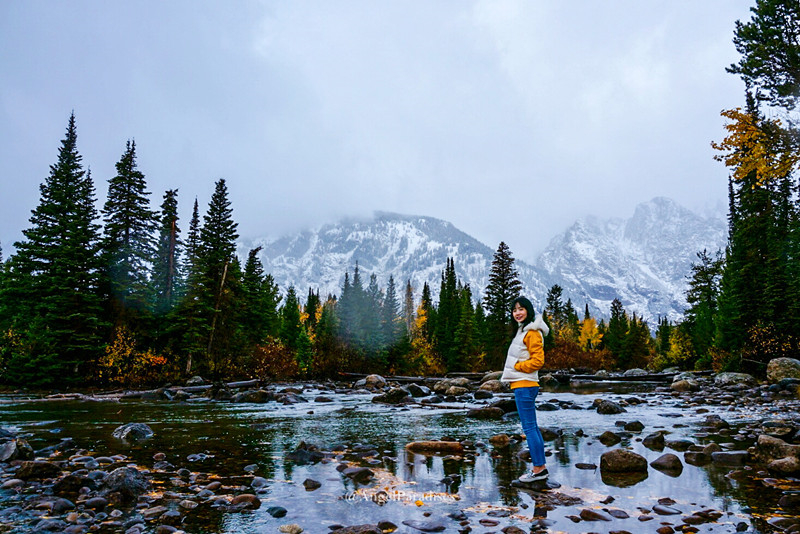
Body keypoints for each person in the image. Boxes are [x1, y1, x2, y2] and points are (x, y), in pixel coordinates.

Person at [500, 296, 550, 483]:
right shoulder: (522, 331)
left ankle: (538, 469)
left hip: (525, 385)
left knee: (529, 428)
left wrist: (518, 367)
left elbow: (538, 361)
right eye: (514, 310)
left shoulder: (532, 333)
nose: (517, 313)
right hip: (523, 385)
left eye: (521, 309)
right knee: (532, 428)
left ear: (528, 310)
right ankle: (540, 467)